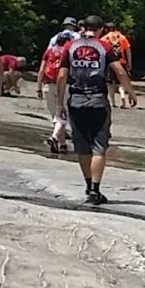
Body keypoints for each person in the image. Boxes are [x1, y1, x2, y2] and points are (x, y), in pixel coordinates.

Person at [59, 22, 125, 205]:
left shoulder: (70, 46)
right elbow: (119, 70)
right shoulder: (104, 46)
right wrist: (130, 91)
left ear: (83, 28)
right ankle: (95, 190)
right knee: (99, 146)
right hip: (97, 100)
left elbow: (62, 76)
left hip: (76, 101)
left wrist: (59, 103)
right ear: (101, 30)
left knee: (82, 146)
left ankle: (88, 185)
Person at [39, 18, 78, 153]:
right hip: (65, 84)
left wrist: (39, 86)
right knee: (63, 114)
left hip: (48, 83)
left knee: (56, 115)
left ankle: (62, 144)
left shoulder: (53, 42)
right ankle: (55, 137)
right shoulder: (76, 40)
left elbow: (42, 67)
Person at [97, 19, 135, 109]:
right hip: (121, 61)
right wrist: (129, 62)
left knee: (110, 83)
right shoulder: (122, 37)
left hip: (110, 63)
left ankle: (113, 102)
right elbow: (128, 50)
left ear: (105, 29)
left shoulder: (104, 39)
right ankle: (122, 96)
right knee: (121, 82)